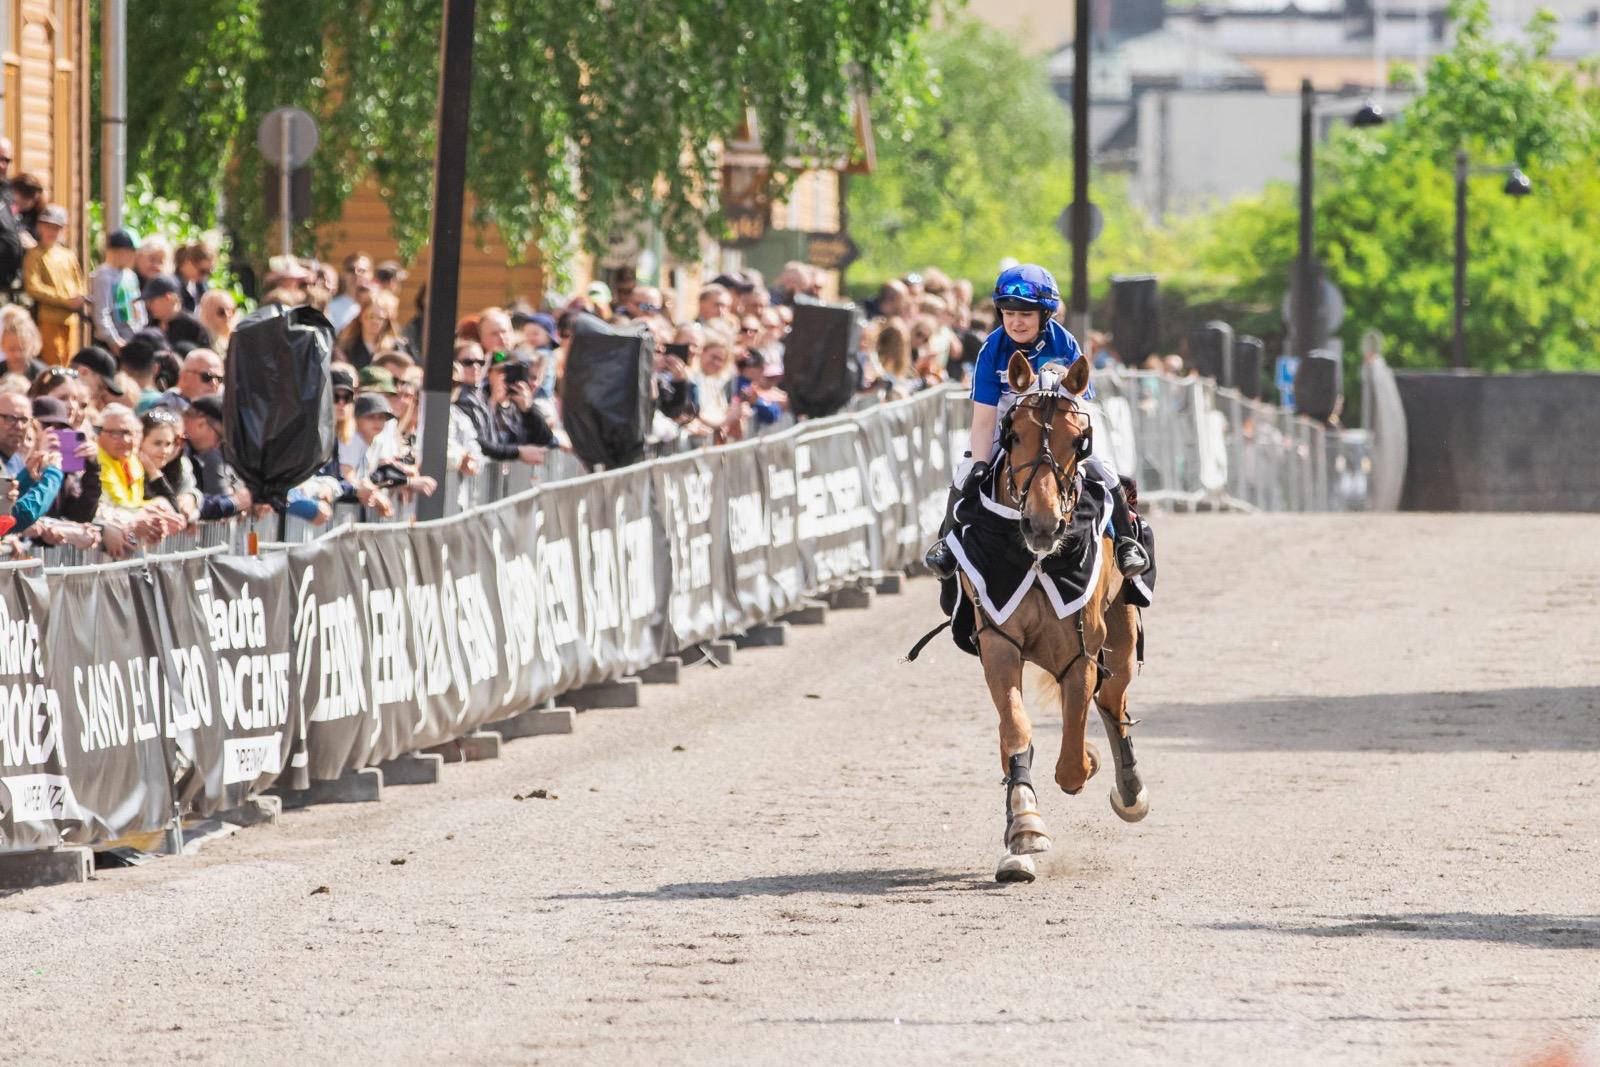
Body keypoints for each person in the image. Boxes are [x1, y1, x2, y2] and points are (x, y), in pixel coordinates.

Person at [923, 263, 1149, 580]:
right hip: (1009, 418)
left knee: (1105, 471)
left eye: (1026, 315)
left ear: (1044, 316)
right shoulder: (992, 348)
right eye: (1008, 313)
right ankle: (947, 545)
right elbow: (985, 417)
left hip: (1060, 415)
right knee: (965, 475)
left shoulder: (1065, 342)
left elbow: (1081, 401)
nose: (1016, 322)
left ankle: (1125, 542)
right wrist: (979, 462)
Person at [22, 204, 86, 364]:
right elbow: (33, 286)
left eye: (56, 228)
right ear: (40, 227)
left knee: (71, 361)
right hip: (48, 318)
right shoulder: (35, 255)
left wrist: (80, 297)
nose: (52, 232)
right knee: (52, 363)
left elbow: (80, 282)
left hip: (71, 319)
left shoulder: (68, 255)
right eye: (48, 227)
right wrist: (64, 300)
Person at [89, 229, 144, 353]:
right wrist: (113, 340)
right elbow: (102, 311)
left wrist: (140, 329)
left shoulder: (131, 276)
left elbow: (138, 305)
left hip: (132, 337)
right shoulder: (103, 276)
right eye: (131, 252)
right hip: (112, 343)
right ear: (118, 251)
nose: (134, 257)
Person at [326, 252, 371, 331]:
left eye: (362, 270)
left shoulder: (379, 307)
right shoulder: (331, 307)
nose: (356, 273)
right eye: (351, 270)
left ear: (371, 274)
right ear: (343, 274)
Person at [0, 305, 46, 380]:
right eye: (11, 349)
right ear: (2, 345)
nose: (17, 355)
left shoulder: (41, 374)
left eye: (22, 349)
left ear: (32, 346)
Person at [174, 241, 215, 313]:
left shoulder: (201, 286)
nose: (205, 276)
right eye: (202, 271)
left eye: (209, 272)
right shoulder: (172, 287)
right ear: (188, 263)